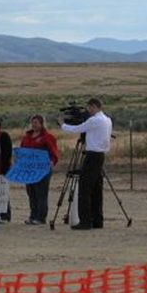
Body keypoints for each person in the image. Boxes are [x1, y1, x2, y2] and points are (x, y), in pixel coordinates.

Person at [60, 98, 112, 230]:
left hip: (92, 155)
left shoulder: (94, 120)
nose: (88, 111)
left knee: (84, 188)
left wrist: (62, 125)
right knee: (96, 188)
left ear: (93, 106)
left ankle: (85, 221)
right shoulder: (107, 119)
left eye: (89, 108)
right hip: (100, 155)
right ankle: (97, 220)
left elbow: (78, 128)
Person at [20, 115, 60, 225]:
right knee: (31, 193)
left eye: (36, 122)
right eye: (32, 122)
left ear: (41, 124)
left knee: (41, 193)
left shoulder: (48, 137)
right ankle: (33, 215)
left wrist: (52, 162)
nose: (34, 125)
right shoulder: (27, 137)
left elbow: (54, 152)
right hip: (29, 170)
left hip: (42, 169)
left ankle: (41, 217)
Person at [0, 118, 13, 222]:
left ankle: (5, 216)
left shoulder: (4, 136)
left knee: (3, 194)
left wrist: (5, 170)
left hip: (2, 169)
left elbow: (7, 154)